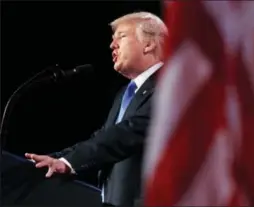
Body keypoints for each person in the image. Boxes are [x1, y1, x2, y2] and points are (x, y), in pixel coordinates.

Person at [25, 11, 168, 206]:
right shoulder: (125, 93)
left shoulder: (168, 84)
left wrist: (69, 162)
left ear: (149, 44)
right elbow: (103, 136)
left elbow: (129, 132)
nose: (112, 45)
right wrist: (55, 159)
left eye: (122, 37)